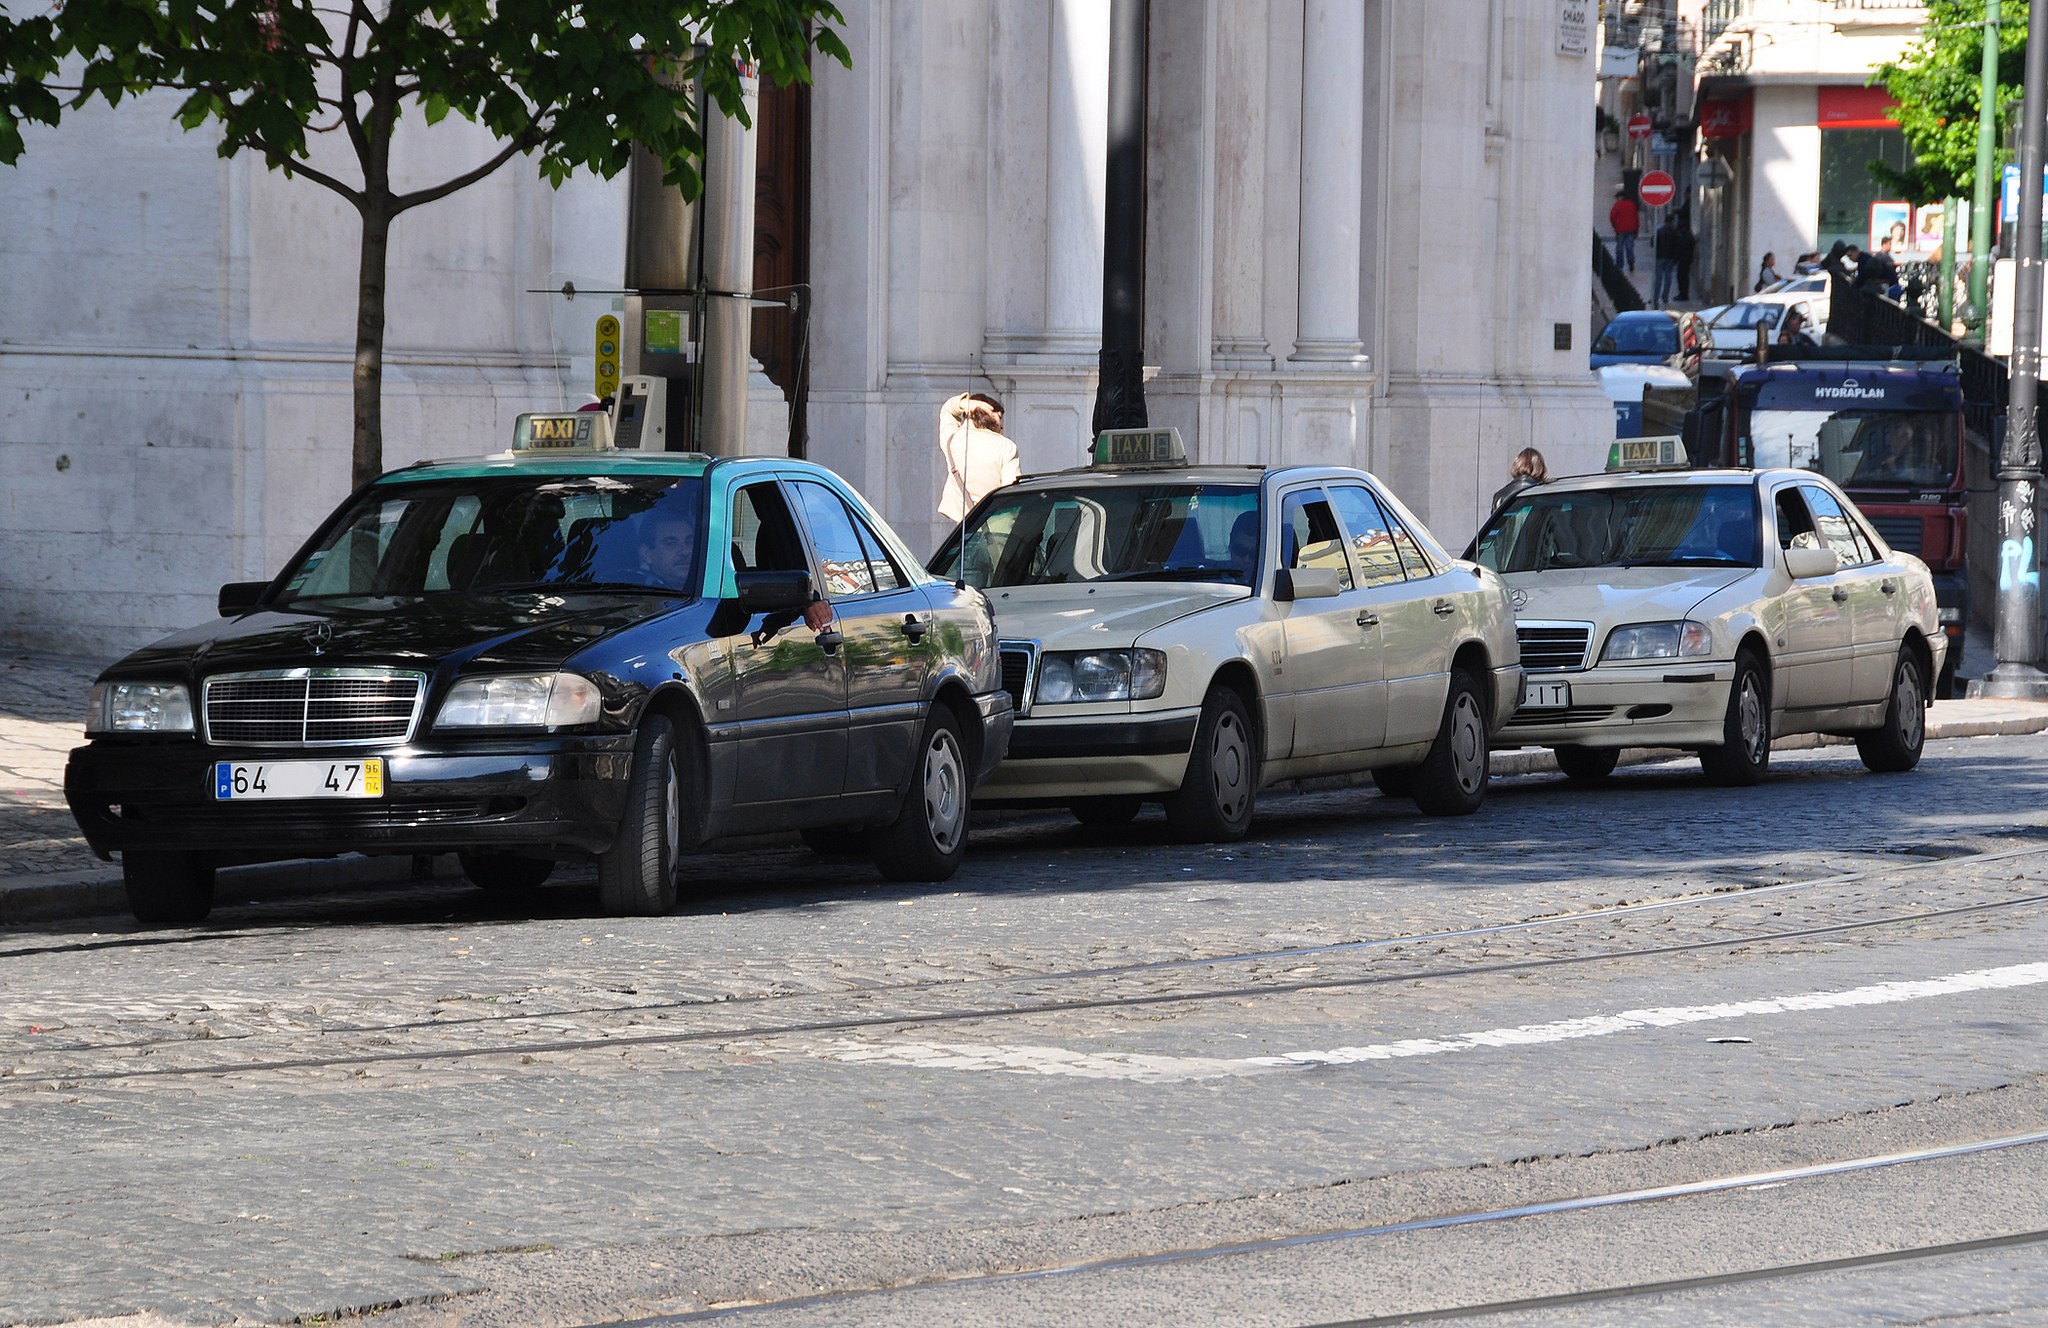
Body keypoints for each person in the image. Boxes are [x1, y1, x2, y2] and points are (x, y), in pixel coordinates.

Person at [937, 390, 1021, 523]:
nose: (1002, 426)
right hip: (996, 524)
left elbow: (947, 411)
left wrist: (964, 403)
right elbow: (1011, 493)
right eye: (999, 417)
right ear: (990, 414)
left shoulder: (953, 440)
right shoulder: (1006, 446)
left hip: (963, 525)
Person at [635, 504, 697, 587]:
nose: (685, 551)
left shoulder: (713, 588)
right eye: (671, 544)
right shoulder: (635, 593)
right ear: (646, 554)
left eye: (690, 542)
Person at [1609, 185, 1640, 273]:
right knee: (1629, 247)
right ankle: (1631, 261)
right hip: (1631, 230)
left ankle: (1620, 265)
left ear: (1620, 197)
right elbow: (1636, 217)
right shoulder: (1632, 205)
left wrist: (1615, 226)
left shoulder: (1617, 205)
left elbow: (1612, 216)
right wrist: (1636, 229)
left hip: (1620, 230)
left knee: (1619, 248)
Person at [1651, 213, 1679, 305]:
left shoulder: (1659, 231)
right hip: (1670, 258)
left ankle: (1655, 298)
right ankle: (1665, 297)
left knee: (1658, 278)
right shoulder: (1674, 232)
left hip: (1659, 257)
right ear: (1671, 222)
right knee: (1668, 278)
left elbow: (1652, 243)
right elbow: (1677, 246)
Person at [1674, 213, 1697, 301]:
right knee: (1682, 277)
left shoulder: (1686, 236)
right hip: (1685, 259)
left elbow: (1681, 247)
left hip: (1685, 260)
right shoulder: (1686, 235)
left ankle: (1683, 294)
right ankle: (1682, 293)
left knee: (1682, 277)